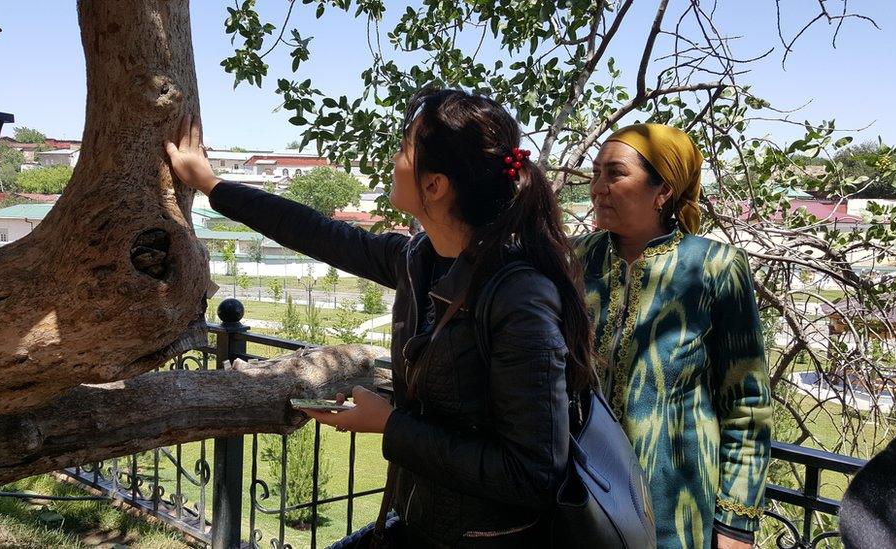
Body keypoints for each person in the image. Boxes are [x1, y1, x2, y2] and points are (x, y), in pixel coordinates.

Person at [166, 88, 596, 547]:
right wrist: (213, 186)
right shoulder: (419, 258)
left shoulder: (518, 296)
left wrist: (391, 425)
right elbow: (320, 234)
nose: (394, 158)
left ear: (436, 185)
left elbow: (533, 474)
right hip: (417, 523)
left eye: (406, 146)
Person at [572, 124, 773, 549]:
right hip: (579, 497)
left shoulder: (714, 267)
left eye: (614, 174)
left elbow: (748, 403)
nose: (597, 188)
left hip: (674, 506)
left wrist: (736, 524)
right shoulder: (576, 259)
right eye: (595, 174)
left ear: (662, 190)